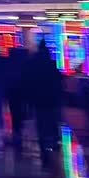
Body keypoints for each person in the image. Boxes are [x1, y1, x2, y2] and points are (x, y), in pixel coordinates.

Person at [26, 41, 63, 169]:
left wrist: (30, 101)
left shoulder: (34, 66)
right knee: (52, 122)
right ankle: (54, 144)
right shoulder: (52, 65)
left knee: (41, 125)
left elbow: (30, 84)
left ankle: (44, 152)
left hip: (39, 100)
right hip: (51, 99)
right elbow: (58, 82)